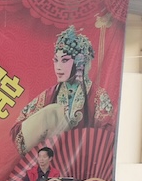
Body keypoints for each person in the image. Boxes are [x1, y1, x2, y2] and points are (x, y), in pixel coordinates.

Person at [10, 25, 115, 156]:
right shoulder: (49, 95)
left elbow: (107, 137)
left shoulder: (98, 97)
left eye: (65, 60)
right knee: (51, 111)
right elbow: (18, 129)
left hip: (81, 160)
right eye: (56, 60)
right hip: (52, 160)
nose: (58, 67)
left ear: (79, 62)